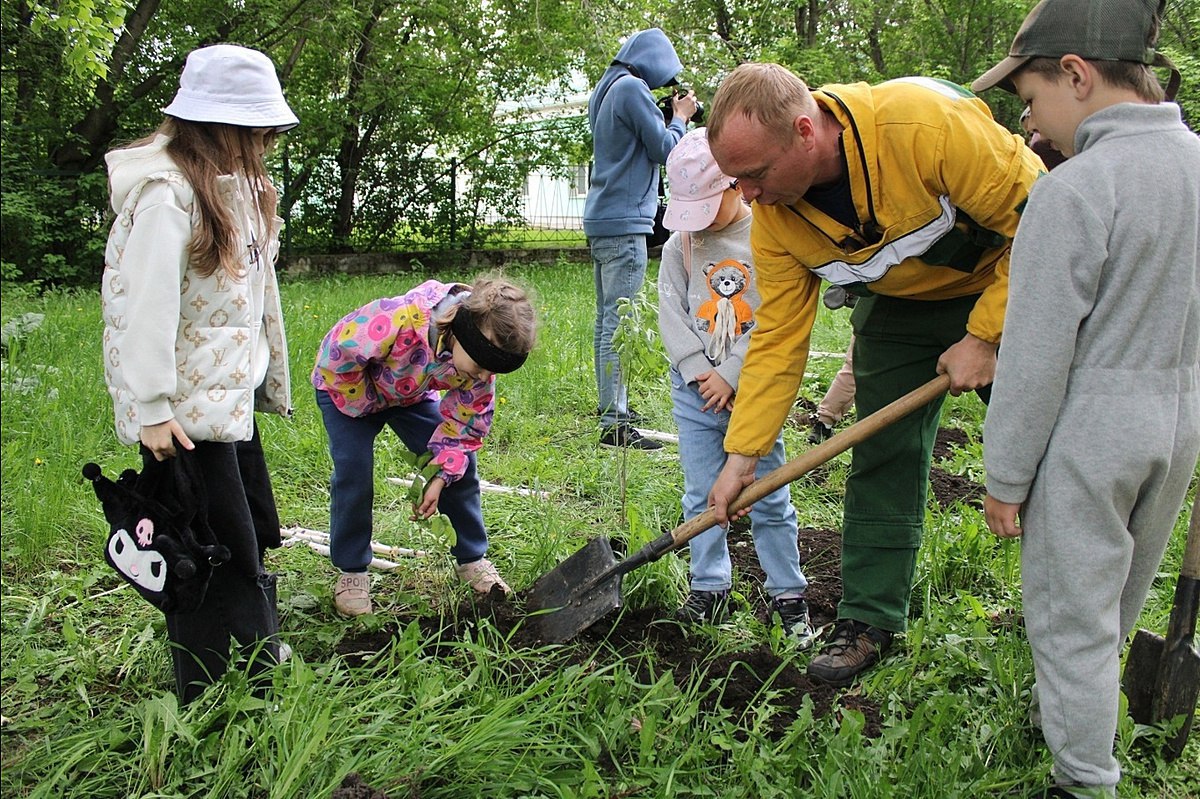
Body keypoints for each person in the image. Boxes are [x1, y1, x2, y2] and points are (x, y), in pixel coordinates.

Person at [702, 63, 1044, 687]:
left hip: (1011, 285)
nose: (745, 195)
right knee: (882, 455)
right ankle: (869, 619)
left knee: (1043, 449)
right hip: (899, 308)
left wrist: (987, 334)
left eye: (754, 175)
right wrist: (741, 456)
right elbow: (779, 339)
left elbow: (1048, 223)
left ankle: (1058, 612)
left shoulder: (925, 126)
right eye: (736, 180)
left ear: (806, 131)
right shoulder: (776, 219)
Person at [973, 1, 1197, 796]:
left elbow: (1034, 359)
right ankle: (1065, 716)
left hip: (1091, 434)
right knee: (1117, 602)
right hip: (1177, 430)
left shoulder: (1075, 192)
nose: (1030, 126)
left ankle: (1083, 780)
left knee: (1072, 621)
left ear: (1076, 73)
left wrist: (1004, 478)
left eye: (1031, 99)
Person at [100, 44, 299, 702]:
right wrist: (153, 406)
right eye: (259, 131)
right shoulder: (166, 195)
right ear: (223, 126)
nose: (267, 143)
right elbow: (147, 306)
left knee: (252, 529)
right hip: (184, 416)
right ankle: (222, 688)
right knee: (207, 549)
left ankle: (252, 646)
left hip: (226, 402)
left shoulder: (231, 187)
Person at [657, 129, 816, 646]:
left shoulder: (766, 236)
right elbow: (671, 313)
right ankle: (710, 585)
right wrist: (698, 368)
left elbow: (776, 319)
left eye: (709, 207)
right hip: (695, 394)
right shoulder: (681, 246)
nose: (700, 224)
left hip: (756, 395)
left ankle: (788, 592)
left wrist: (732, 373)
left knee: (769, 497)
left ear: (736, 186)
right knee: (703, 495)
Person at [312, 276, 537, 617]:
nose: (480, 377)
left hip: (408, 395)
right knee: (353, 472)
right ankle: (352, 572)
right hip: (347, 389)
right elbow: (337, 356)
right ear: (461, 332)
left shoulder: (479, 368)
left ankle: (472, 559)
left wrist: (440, 477)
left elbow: (464, 427)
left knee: (463, 470)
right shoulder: (395, 321)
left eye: (489, 372)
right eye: (478, 367)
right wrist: (368, 402)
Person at [584, 27, 698, 450]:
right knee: (618, 322)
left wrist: (667, 116)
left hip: (602, 217)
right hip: (625, 222)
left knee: (605, 320)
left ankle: (611, 408)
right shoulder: (631, 88)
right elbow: (666, 149)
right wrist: (681, 118)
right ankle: (615, 423)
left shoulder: (608, 87)